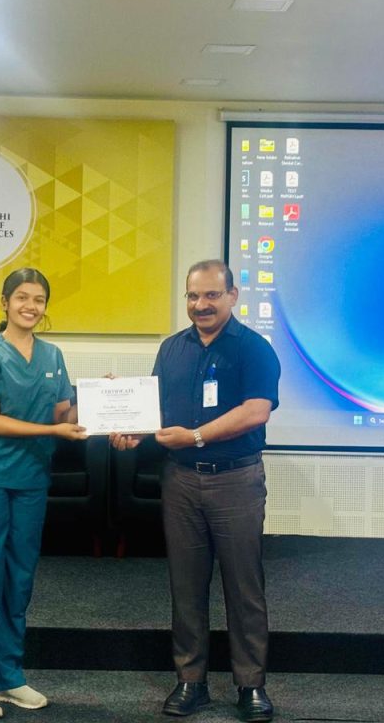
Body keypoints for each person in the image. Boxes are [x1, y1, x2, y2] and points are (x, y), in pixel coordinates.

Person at [112, 259, 281, 723]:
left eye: (211, 295)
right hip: (181, 481)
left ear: (232, 296)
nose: (200, 304)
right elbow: (155, 410)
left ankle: (251, 685)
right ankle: (191, 681)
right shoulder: (172, 349)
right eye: (193, 295)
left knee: (244, 587)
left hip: (235, 480)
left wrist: (197, 436)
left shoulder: (254, 348)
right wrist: (130, 427)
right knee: (185, 585)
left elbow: (256, 411)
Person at [0, 267, 87, 720]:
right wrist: (53, 430)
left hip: (31, 478)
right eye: (23, 297)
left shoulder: (52, 354)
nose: (31, 306)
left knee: (18, 579)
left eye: (39, 299)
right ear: (5, 302)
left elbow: (63, 413)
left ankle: (7, 676)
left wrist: (101, 398)